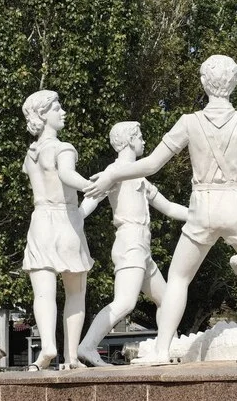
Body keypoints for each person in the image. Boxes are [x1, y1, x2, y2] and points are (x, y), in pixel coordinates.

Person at [84, 55, 237, 362]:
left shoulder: (188, 122)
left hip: (201, 208)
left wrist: (111, 173)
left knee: (178, 279)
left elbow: (149, 164)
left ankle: (161, 350)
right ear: (235, 83)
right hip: (235, 207)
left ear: (203, 83)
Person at [77, 121, 188, 366]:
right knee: (125, 302)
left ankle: (168, 346)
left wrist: (201, 215)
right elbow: (92, 199)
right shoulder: (113, 172)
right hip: (130, 242)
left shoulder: (139, 174)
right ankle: (87, 346)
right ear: (128, 140)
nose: (144, 141)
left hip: (143, 248)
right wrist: (75, 218)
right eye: (140, 136)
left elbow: (168, 207)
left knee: (169, 299)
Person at [21, 90, 92, 370]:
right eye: (57, 107)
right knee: (75, 293)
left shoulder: (30, 156)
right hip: (65, 220)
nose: (63, 112)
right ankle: (72, 356)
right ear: (43, 114)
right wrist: (89, 185)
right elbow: (66, 176)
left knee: (43, 293)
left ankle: (47, 346)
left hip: (39, 221)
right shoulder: (63, 148)